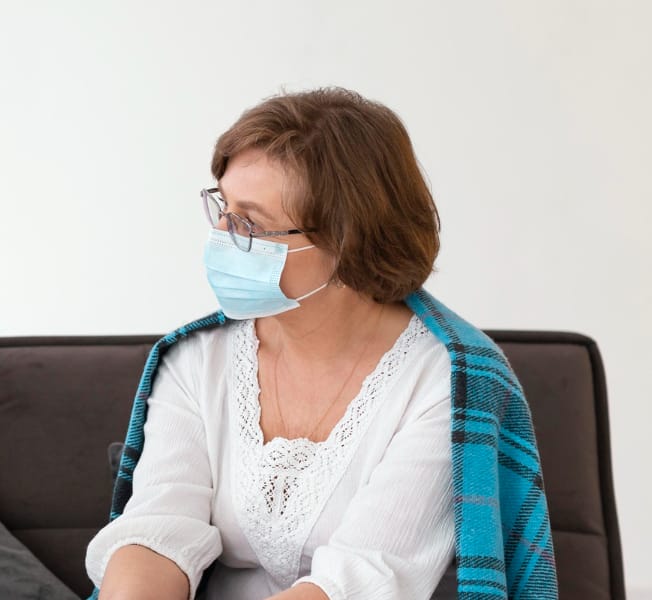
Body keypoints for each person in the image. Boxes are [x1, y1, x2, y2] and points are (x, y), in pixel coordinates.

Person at [85, 88, 557, 599]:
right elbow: (157, 533)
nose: (221, 236)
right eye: (222, 206)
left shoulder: (447, 382)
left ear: (346, 240)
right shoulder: (196, 360)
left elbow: (359, 580)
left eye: (250, 223)